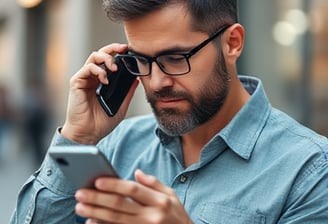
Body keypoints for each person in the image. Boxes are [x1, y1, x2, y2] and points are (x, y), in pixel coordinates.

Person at [10, 0, 328, 223]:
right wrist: (77, 138)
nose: (157, 81)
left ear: (232, 43)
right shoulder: (117, 146)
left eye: (176, 58)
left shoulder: (310, 170)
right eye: (141, 61)